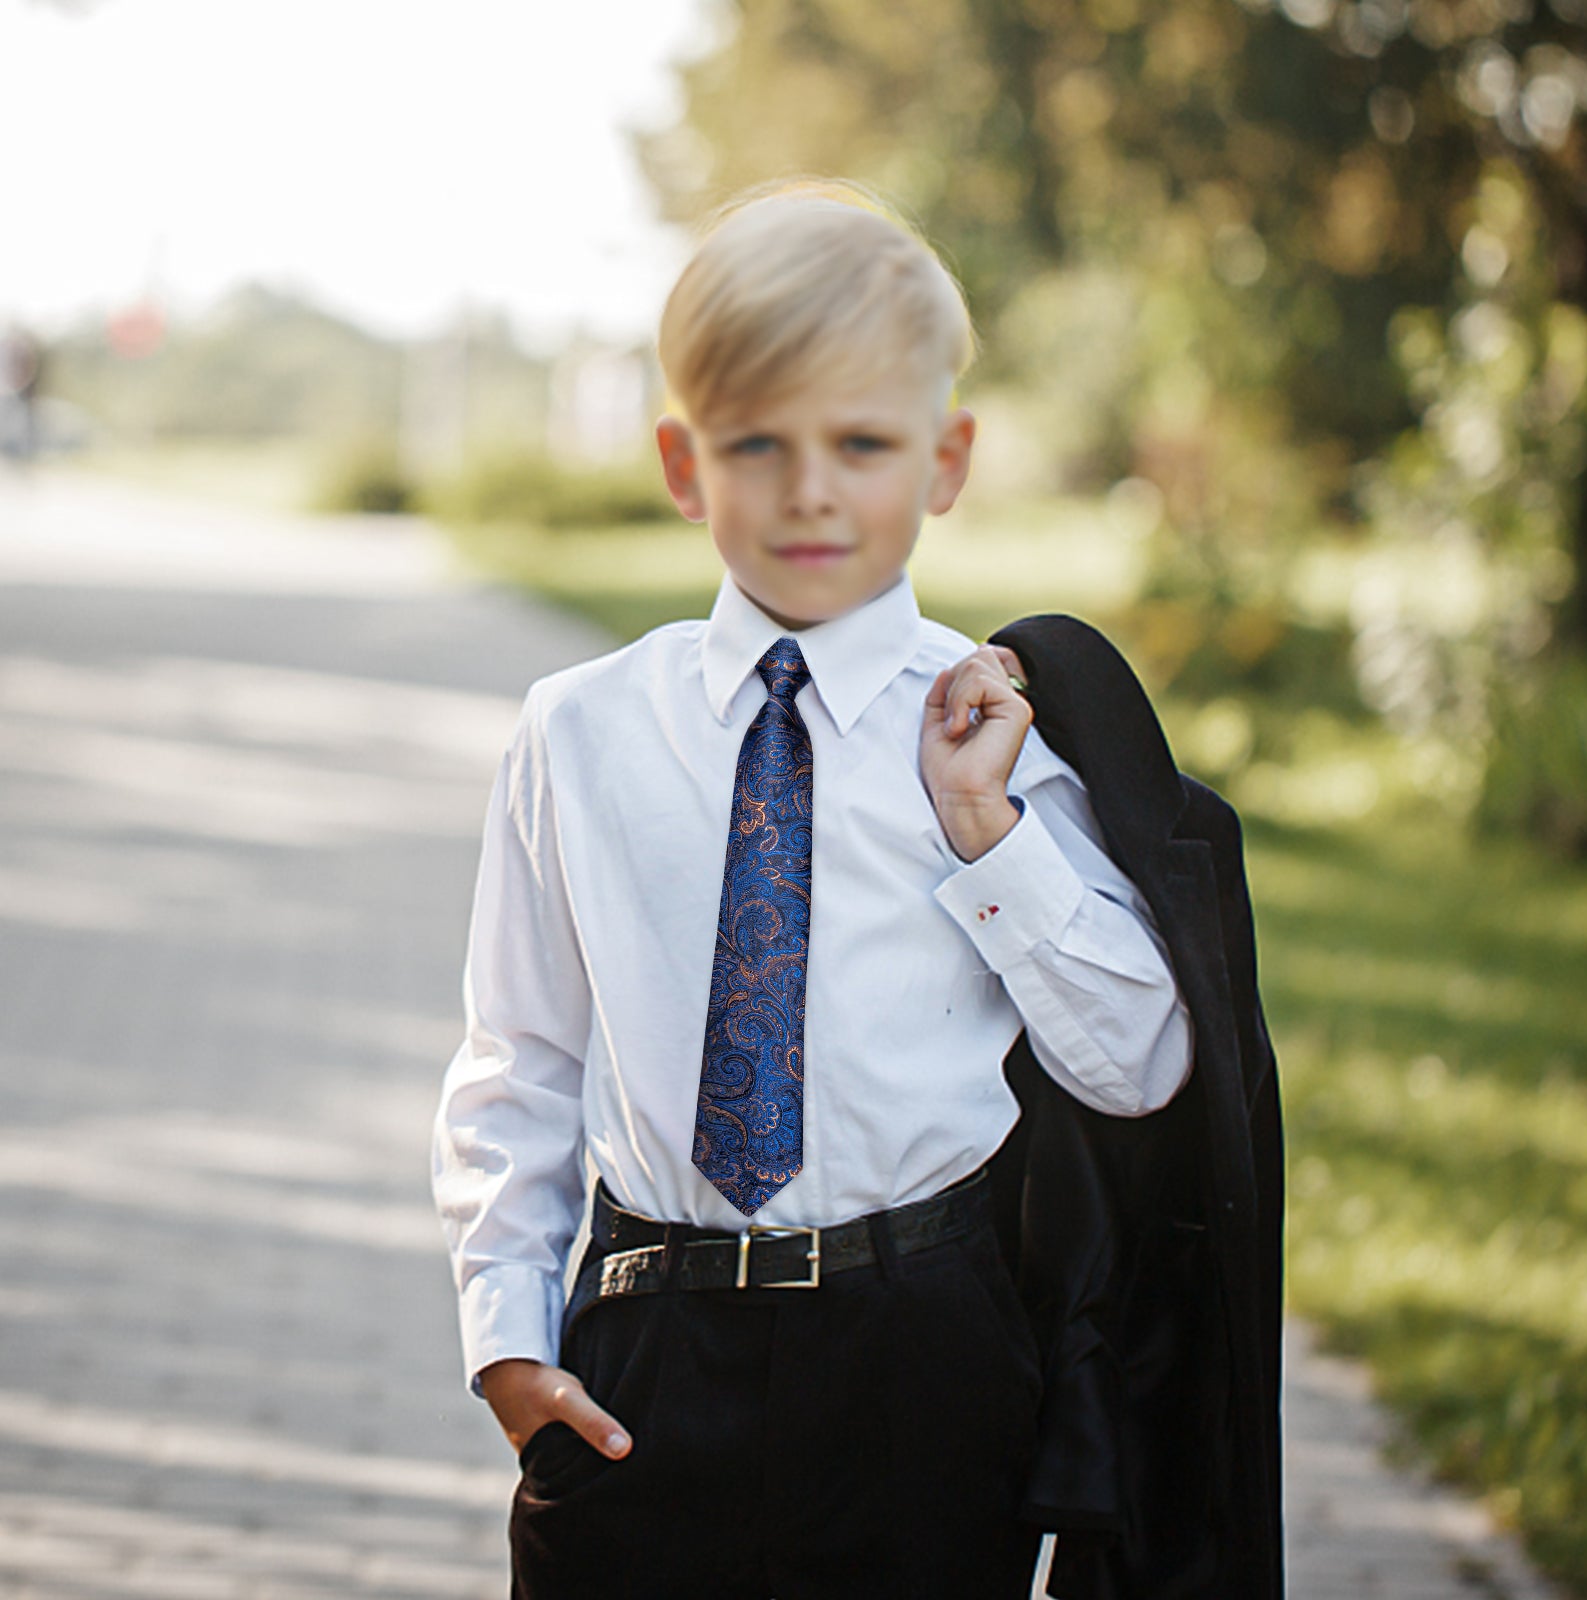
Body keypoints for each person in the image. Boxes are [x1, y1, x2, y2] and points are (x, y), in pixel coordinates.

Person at [431, 177, 1199, 1600]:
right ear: (681, 462)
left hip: (923, 1355)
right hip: (644, 1352)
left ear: (946, 457)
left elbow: (1143, 1064)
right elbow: (520, 1056)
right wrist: (509, 1340)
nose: (810, 490)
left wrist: (989, 839)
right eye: (756, 443)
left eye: (862, 441)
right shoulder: (578, 731)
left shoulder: (994, 737)